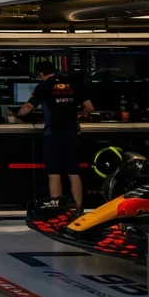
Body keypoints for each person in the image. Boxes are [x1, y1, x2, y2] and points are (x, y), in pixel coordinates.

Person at [16, 61, 93, 209]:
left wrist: (18, 114)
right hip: (72, 134)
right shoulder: (72, 85)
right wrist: (78, 114)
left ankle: (57, 210)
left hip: (53, 135)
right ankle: (78, 209)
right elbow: (89, 107)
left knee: (54, 174)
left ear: (41, 73)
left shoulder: (43, 86)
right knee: (73, 172)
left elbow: (27, 108)